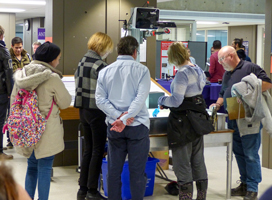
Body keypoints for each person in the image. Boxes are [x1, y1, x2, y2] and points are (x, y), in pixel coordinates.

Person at [10, 41, 71, 200]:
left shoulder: (21, 75)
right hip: (47, 130)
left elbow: (13, 101)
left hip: (27, 129)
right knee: (45, 168)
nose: (58, 61)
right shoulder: (52, 78)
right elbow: (65, 102)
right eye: (58, 58)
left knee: (31, 167)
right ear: (51, 60)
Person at [210, 46, 272, 200]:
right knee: (238, 153)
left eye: (222, 59)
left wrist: (247, 92)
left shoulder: (250, 67)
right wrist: (216, 105)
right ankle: (244, 184)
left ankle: (252, 188)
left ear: (231, 56)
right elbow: (223, 92)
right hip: (232, 117)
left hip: (248, 119)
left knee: (250, 154)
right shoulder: (226, 74)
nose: (220, 63)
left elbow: (267, 84)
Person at [95, 36, 150, 200]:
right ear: (135, 52)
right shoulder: (142, 70)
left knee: (113, 171)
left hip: (114, 127)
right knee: (137, 172)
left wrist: (118, 116)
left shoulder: (105, 71)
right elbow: (140, 99)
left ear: (118, 51)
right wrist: (126, 118)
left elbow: (100, 100)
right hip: (138, 127)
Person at [158, 42, 208, 200]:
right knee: (198, 160)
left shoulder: (182, 73)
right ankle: (201, 196)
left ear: (173, 57)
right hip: (198, 120)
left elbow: (176, 101)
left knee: (182, 162)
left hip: (182, 123)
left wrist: (162, 99)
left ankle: (185, 196)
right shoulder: (198, 69)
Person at [74, 32, 113, 200]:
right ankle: (92, 191)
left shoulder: (81, 62)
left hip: (83, 111)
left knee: (87, 149)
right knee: (98, 150)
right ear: (103, 47)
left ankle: (82, 190)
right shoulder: (101, 65)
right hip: (97, 111)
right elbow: (108, 91)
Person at [0, 25, 13, 159]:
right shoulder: (3, 51)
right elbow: (9, 73)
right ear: (1, 36)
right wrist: (11, 91)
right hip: (1, 91)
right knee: (0, 120)